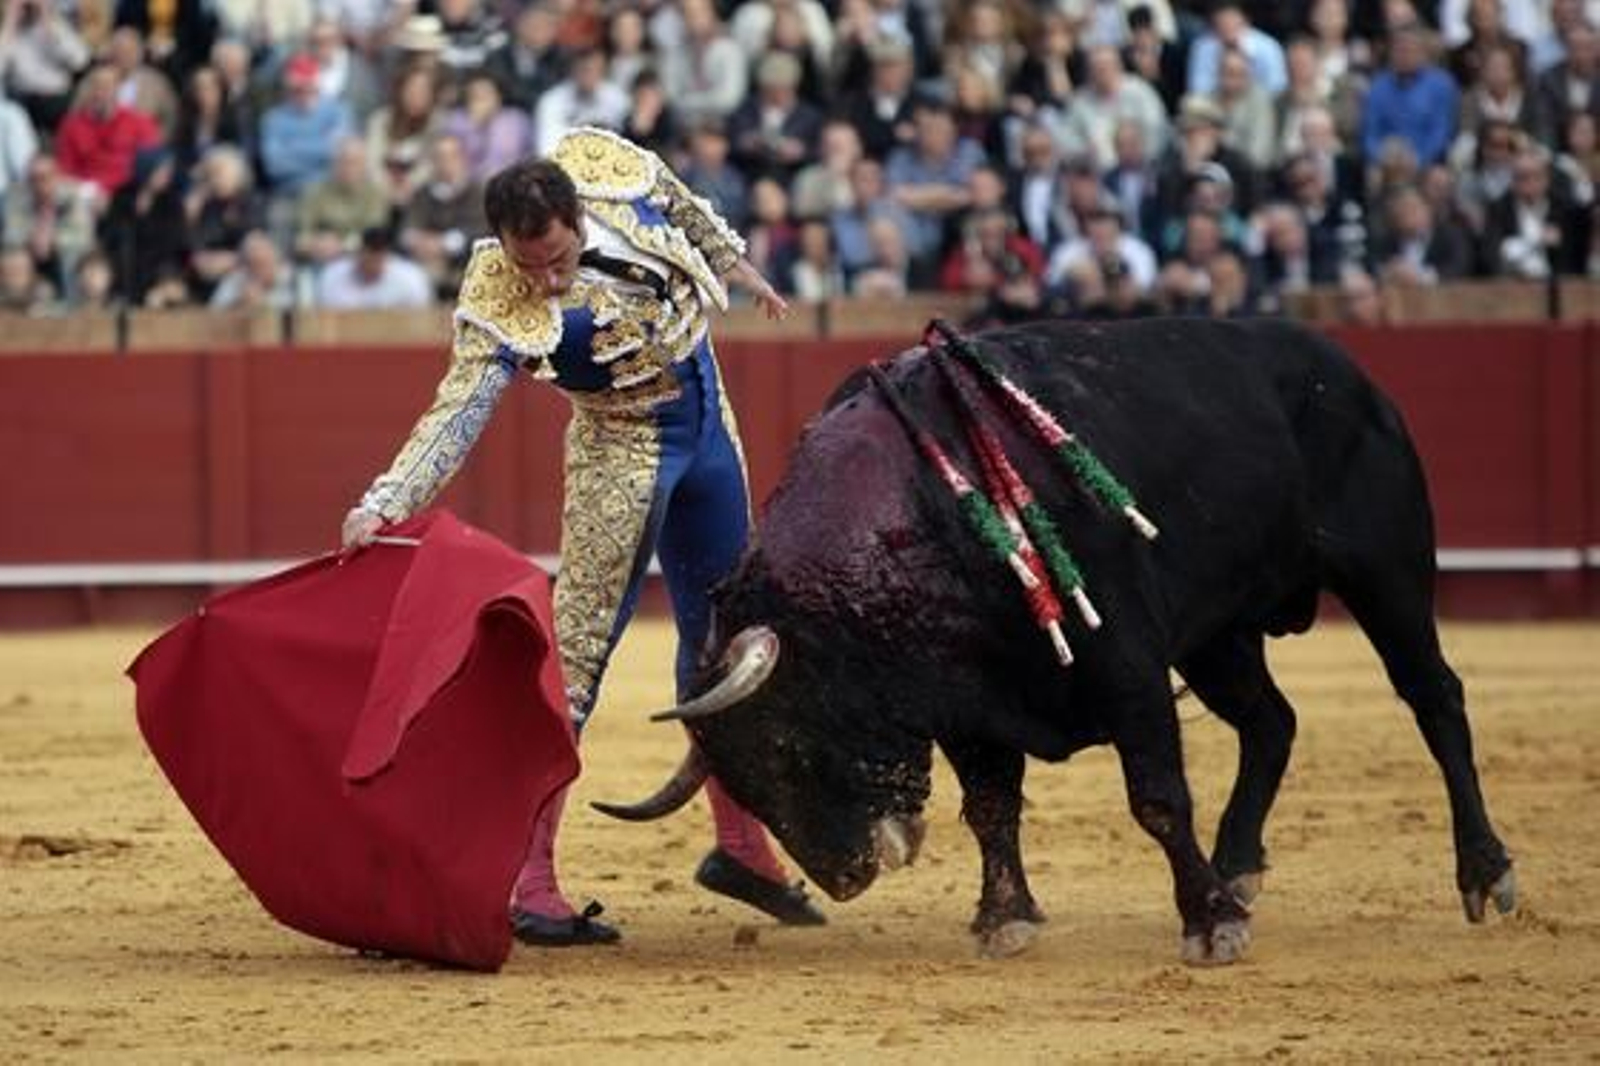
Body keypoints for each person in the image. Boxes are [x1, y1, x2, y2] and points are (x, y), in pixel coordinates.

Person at [338, 127, 823, 947]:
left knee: (727, 633)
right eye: (528, 264)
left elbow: (680, 201)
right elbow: (458, 409)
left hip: (709, 424)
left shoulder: (605, 163)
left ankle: (741, 846)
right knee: (578, 658)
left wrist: (739, 267)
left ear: (576, 213)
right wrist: (386, 500)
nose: (544, 278)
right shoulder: (498, 293)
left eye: (557, 258)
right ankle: (530, 883)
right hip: (620, 449)